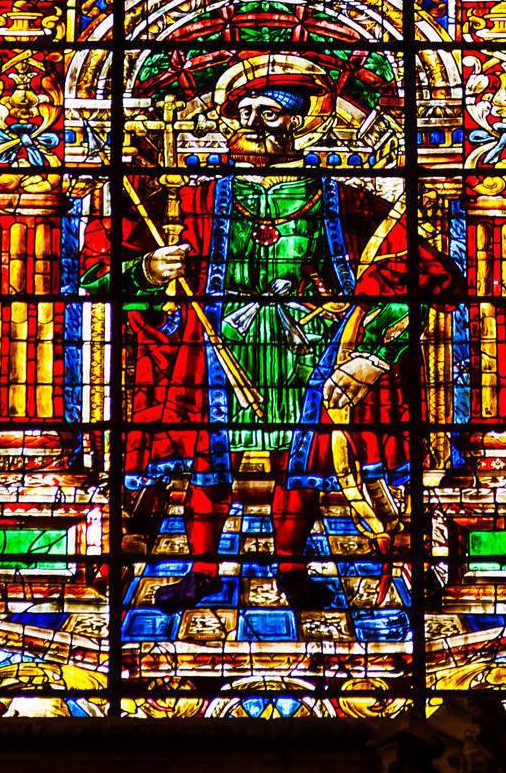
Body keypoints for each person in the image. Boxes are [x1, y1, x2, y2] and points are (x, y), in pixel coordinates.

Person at [80, 55, 464, 613]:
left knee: (301, 463)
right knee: (208, 466)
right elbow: (99, 273)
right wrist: (148, 271)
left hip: (310, 348)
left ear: (300, 120)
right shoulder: (194, 198)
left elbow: (422, 271)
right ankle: (203, 572)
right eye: (246, 111)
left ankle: (292, 570)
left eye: (273, 112)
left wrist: (373, 353)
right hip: (213, 345)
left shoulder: (342, 198)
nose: (257, 122)